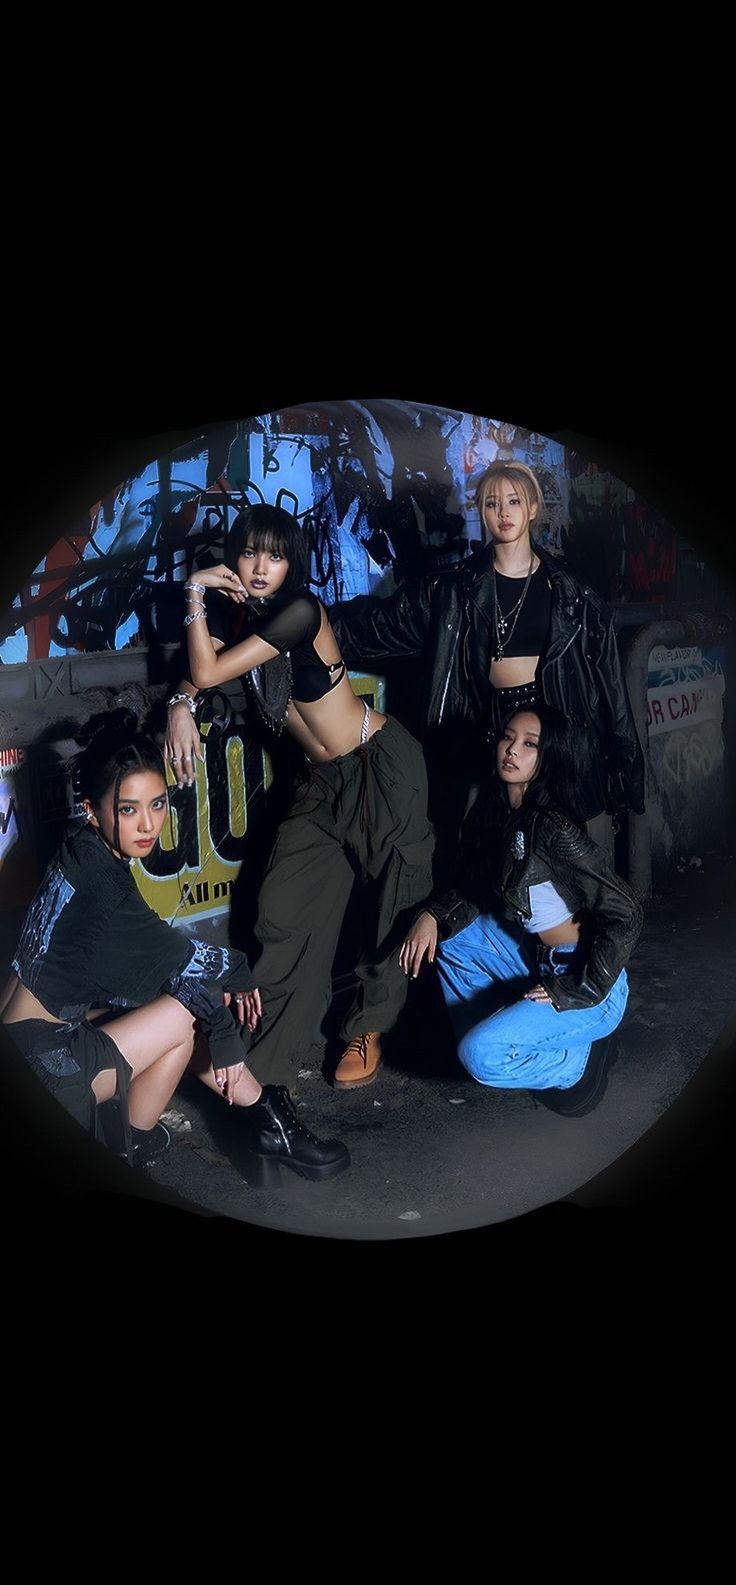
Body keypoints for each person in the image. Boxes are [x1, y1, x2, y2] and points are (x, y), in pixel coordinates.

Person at [0, 710, 350, 1179]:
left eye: (158, 804)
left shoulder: (80, 846)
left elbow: (177, 969)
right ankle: (260, 1124)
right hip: (46, 1068)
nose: (148, 825)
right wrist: (229, 1021)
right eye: (128, 809)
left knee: (185, 1009)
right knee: (190, 1008)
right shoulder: (104, 887)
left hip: (31, 1040)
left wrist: (221, 991)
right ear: (92, 809)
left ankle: (156, 1137)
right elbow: (199, 972)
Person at [168, 503, 434, 1092]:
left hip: (379, 767)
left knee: (395, 903)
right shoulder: (243, 627)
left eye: (276, 555)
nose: (260, 567)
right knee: (280, 909)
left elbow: (209, 673)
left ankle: (369, 1026)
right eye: (250, 552)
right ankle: (265, 1056)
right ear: (233, 555)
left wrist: (191, 589)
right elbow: (197, 672)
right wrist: (179, 707)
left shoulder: (299, 610)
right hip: (319, 783)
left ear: (294, 564)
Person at [326, 460, 645, 857]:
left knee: (562, 850)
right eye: (492, 503)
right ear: (482, 511)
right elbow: (378, 626)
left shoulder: (575, 597)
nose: (504, 512)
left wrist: (626, 772)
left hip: (553, 721)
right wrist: (298, 620)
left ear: (532, 508)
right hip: (485, 722)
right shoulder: (453, 589)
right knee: (480, 847)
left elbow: (611, 688)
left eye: (514, 501)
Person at [398, 705, 643, 1116]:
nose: (512, 750)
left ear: (548, 757)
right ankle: (526, 1031)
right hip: (542, 963)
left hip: (588, 981)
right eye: (508, 738)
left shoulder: (552, 826)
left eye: (530, 744)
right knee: (449, 937)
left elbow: (627, 912)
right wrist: (431, 916)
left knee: (479, 1056)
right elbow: (475, 887)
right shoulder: (503, 814)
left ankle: (575, 1065)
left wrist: (580, 989)